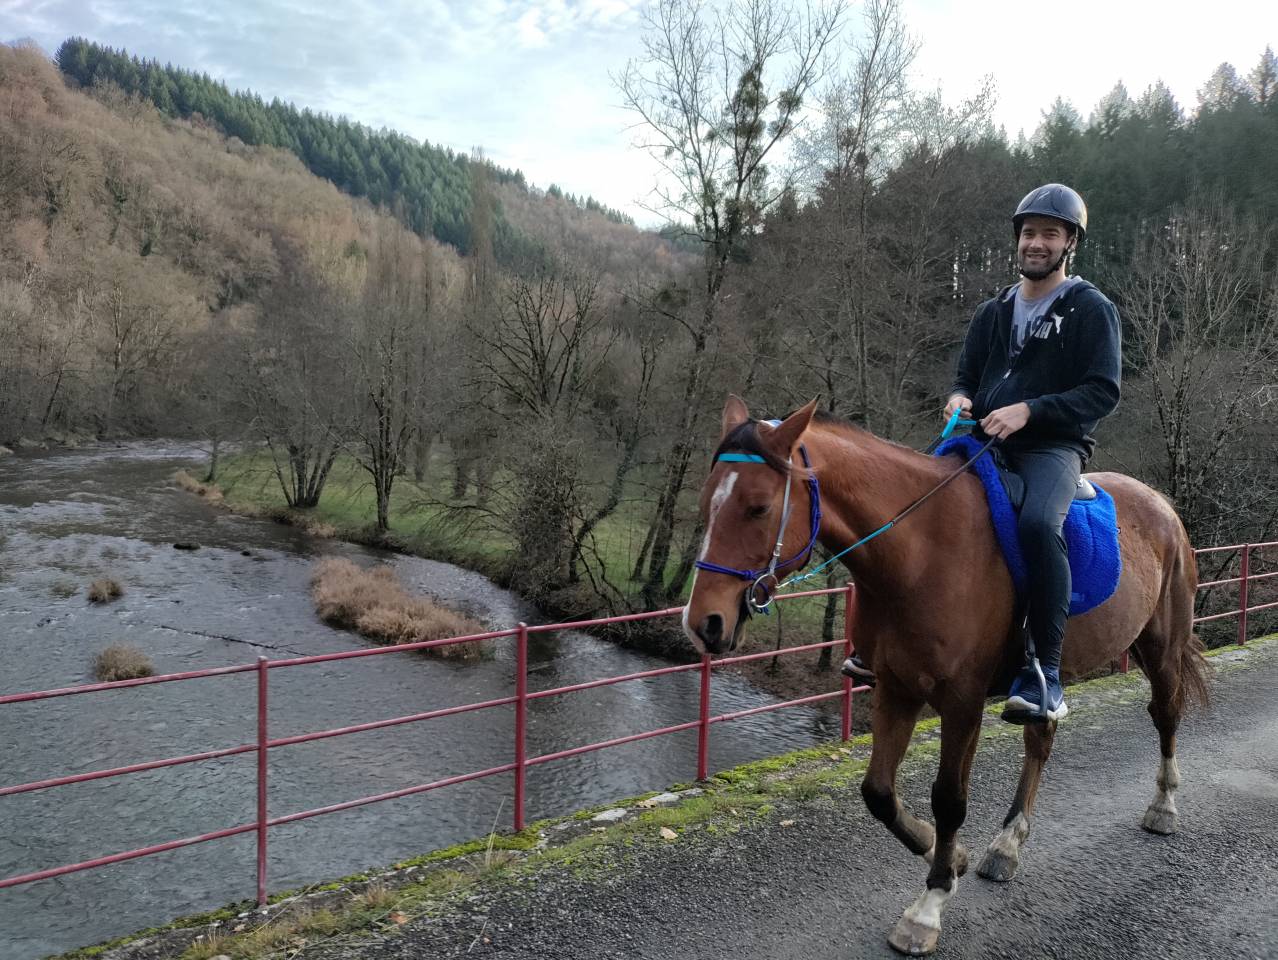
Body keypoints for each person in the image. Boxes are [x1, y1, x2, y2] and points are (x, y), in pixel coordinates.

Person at [844, 183, 1122, 723]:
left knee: (1040, 524)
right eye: (1028, 233)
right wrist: (959, 398)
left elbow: (1103, 391)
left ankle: (1044, 672)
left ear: (1070, 243)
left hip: (1051, 446)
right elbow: (966, 376)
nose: (1036, 243)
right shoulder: (993, 310)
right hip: (982, 439)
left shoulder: (1091, 308)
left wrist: (1030, 411)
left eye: (1049, 234)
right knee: (906, 508)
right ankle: (876, 640)